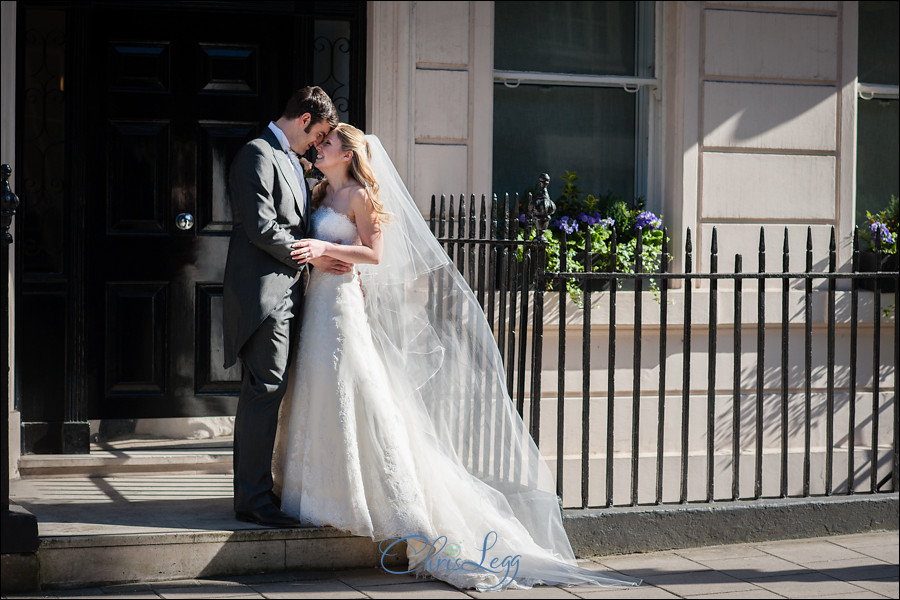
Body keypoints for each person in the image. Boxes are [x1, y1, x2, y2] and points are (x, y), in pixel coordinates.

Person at [272, 124, 642, 591]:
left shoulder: (361, 197)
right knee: (321, 392)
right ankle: (321, 497)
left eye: (326, 143)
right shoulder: (320, 191)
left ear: (347, 154)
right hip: (318, 303)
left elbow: (375, 252)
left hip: (343, 304)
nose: (318, 147)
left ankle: (400, 512)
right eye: (319, 142)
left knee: (352, 392)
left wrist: (326, 248)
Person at [222, 87, 351, 528]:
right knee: (265, 390)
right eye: (317, 135)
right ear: (303, 119)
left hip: (295, 294)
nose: (317, 144)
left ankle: (265, 489)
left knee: (275, 393)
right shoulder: (257, 154)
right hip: (267, 295)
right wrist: (312, 253)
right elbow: (261, 227)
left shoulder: (296, 163)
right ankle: (253, 500)